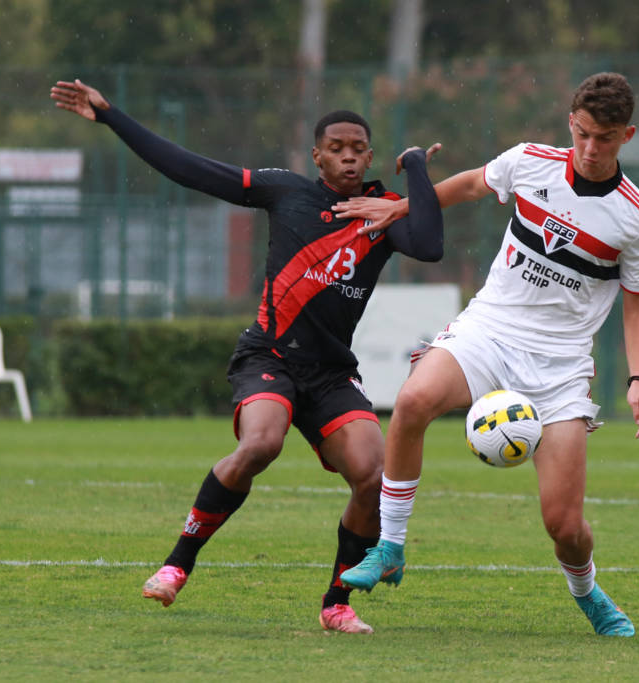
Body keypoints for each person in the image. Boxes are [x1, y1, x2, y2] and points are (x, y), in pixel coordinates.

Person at [50, 79, 444, 634]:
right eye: (336, 147)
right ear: (317, 156)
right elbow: (191, 168)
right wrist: (114, 118)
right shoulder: (285, 191)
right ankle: (177, 564)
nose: (348, 155)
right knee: (261, 442)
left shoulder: (379, 215)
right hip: (271, 355)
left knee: (372, 475)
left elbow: (429, 245)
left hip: (330, 373)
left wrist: (414, 174)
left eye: (358, 147)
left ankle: (336, 603)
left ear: (371, 155)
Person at [332, 72, 639, 636]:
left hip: (559, 368)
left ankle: (587, 591)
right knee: (412, 402)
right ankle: (389, 546)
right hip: (489, 329)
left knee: (564, 526)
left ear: (626, 136)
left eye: (604, 138)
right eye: (582, 133)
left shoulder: (637, 217)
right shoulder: (530, 161)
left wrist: (637, 379)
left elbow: (638, 307)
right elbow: (467, 186)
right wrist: (401, 209)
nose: (589, 148)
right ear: (570, 123)